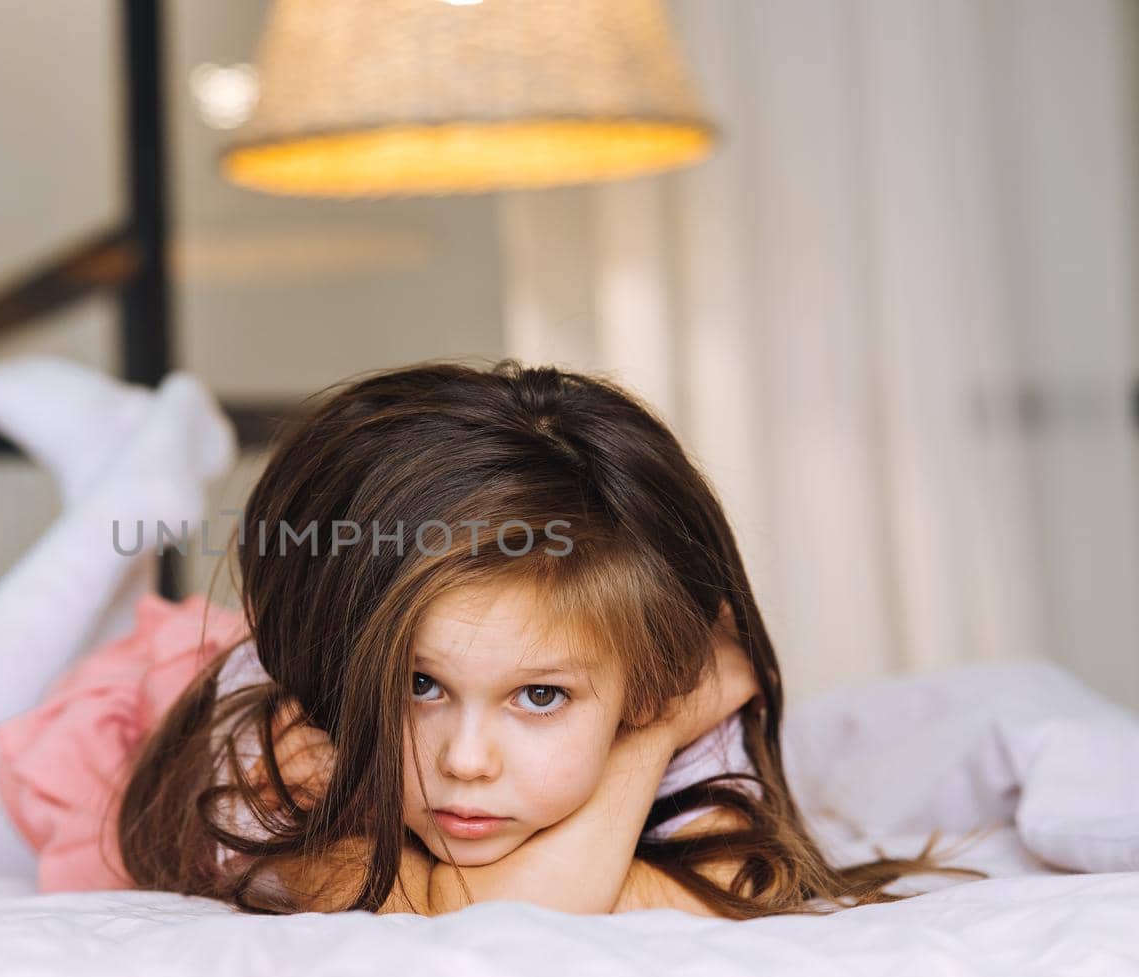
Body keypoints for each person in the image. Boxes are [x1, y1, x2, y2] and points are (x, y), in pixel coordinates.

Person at [103, 359, 978, 917]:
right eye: (419, 685)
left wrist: (662, 729)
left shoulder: (651, 667)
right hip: (130, 704)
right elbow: (492, 922)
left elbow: (735, 878)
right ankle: (114, 482)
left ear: (648, 676)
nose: (468, 760)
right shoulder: (287, 749)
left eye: (541, 695)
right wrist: (650, 738)